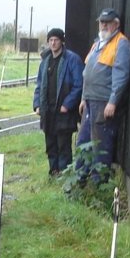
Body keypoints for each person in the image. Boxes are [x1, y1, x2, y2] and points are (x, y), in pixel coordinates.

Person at [77, 8, 130, 183]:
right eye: (102, 22)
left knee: (100, 144)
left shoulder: (121, 43)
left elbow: (121, 75)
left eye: (107, 22)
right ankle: (79, 180)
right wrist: (83, 98)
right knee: (83, 141)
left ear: (116, 24)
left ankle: (97, 184)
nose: (104, 25)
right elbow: (87, 73)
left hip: (103, 102)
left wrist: (113, 101)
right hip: (90, 101)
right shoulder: (97, 44)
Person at [32, 28, 83, 176]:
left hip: (63, 112)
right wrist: (37, 104)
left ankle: (64, 175)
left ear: (62, 41)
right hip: (48, 111)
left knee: (63, 145)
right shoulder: (45, 61)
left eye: (56, 40)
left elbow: (79, 84)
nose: (53, 43)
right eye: (51, 40)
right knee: (51, 144)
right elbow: (39, 85)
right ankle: (53, 172)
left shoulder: (72, 59)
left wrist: (67, 105)